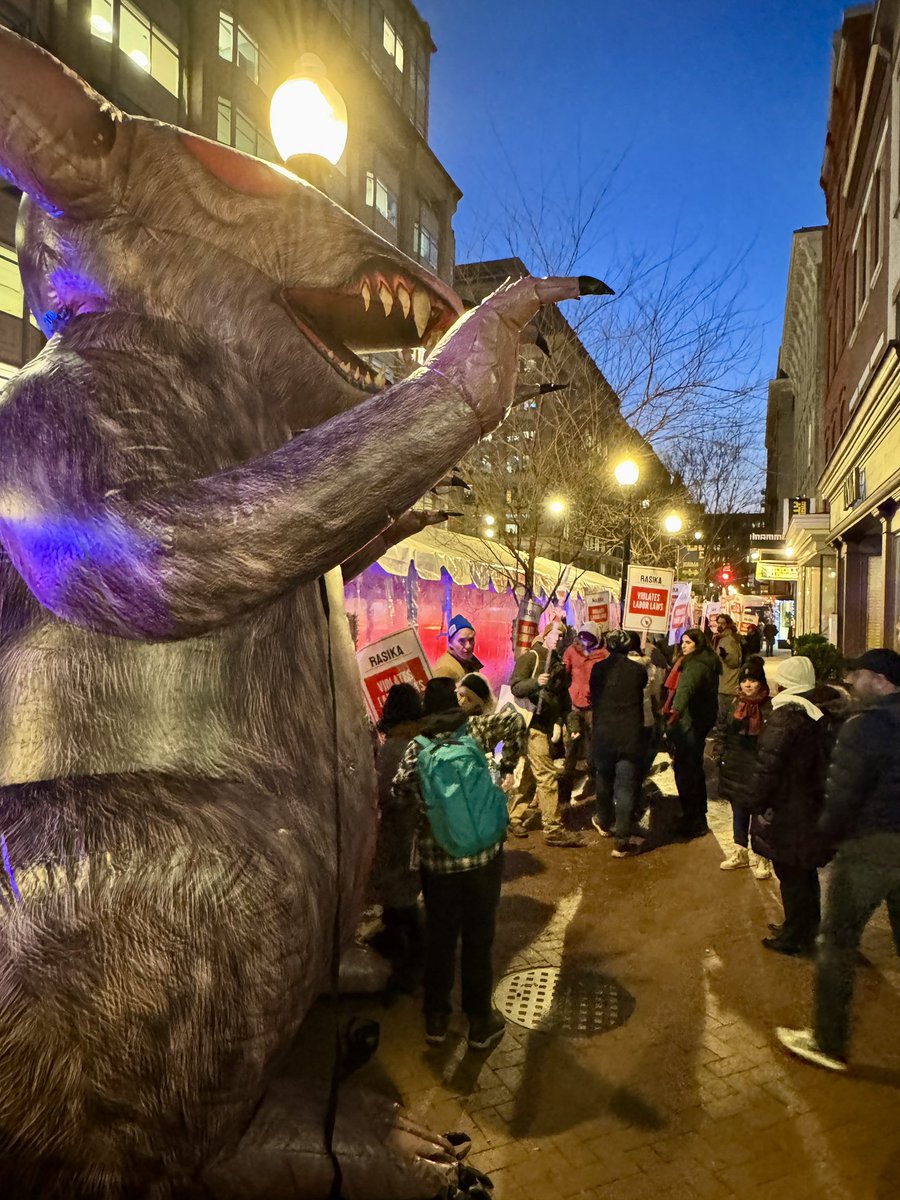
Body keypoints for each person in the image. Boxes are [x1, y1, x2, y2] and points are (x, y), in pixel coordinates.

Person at [777, 649, 900, 1071]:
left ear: (880, 680)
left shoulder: (864, 727)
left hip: (870, 847)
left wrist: (824, 840)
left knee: (837, 942)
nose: (850, 681)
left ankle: (828, 1041)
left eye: (858, 674)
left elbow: (843, 794)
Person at [392, 676, 525, 1050]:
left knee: (441, 939)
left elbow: (398, 791)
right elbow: (515, 722)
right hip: (483, 857)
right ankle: (480, 1022)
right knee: (479, 940)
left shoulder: (416, 748)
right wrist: (505, 767)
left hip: (440, 863)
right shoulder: (476, 729)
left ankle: (436, 1020)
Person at [750, 656, 847, 957]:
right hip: (811, 804)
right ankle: (804, 927)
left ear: (784, 684)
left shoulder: (786, 716)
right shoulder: (820, 712)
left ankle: (795, 936)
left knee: (791, 872)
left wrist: (756, 800)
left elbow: (767, 767)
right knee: (803, 871)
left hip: (789, 808)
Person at [509, 621, 584, 847]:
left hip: (545, 725)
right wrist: (536, 682)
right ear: (546, 635)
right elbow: (516, 687)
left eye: (562, 635)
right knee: (547, 775)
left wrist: (572, 725)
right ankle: (553, 828)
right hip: (531, 725)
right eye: (555, 634)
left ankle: (514, 816)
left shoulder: (558, 665)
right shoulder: (531, 657)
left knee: (532, 774)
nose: (558, 639)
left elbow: (564, 701)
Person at [370, 683, 424, 991]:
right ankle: (396, 939)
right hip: (420, 828)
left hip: (400, 829)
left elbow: (383, 792)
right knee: (403, 890)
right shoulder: (421, 741)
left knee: (398, 893)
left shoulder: (394, 748)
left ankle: (413, 960)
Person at [589, 632, 648, 857]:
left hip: (604, 735)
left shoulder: (598, 669)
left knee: (604, 779)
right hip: (629, 737)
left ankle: (604, 821)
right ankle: (622, 841)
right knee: (625, 787)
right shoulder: (638, 671)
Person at [716, 656, 772, 878]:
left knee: (760, 812)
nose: (748, 684)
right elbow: (722, 730)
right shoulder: (733, 703)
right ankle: (740, 852)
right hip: (736, 764)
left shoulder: (769, 706)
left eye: (753, 680)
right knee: (738, 809)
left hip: (758, 764)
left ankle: (762, 857)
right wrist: (720, 753)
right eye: (744, 680)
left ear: (761, 682)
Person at [664, 628, 721, 839]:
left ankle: (692, 818)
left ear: (698, 644)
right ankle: (697, 815)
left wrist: (675, 712)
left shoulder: (696, 665)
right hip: (700, 721)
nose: (684, 646)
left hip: (690, 723)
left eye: (688, 642)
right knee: (693, 768)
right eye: (683, 642)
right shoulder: (707, 660)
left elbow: (685, 689)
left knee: (686, 770)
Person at [559, 621, 608, 805]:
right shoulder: (572, 651)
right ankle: (565, 792)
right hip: (574, 705)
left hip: (594, 708)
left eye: (590, 637)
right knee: (571, 749)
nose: (586, 641)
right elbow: (564, 674)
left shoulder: (604, 656)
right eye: (583, 637)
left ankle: (594, 788)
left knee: (593, 749)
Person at [433, 614, 483, 683]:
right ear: (451, 643)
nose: (468, 646)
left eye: (471, 639)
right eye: (461, 641)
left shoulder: (468, 662)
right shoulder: (444, 670)